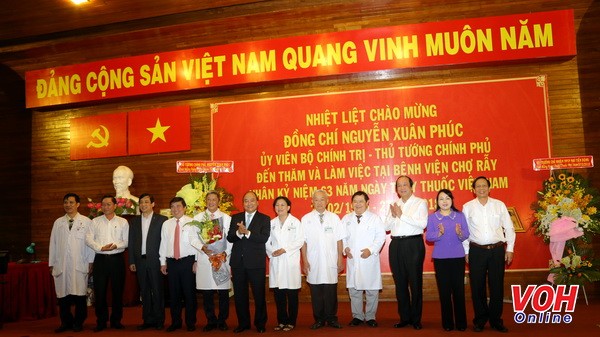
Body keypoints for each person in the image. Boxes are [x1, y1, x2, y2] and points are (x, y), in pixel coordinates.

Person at [462, 176, 515, 333]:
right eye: (478, 186)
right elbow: (465, 232)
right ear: (473, 190)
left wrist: (510, 248)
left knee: (496, 285)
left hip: (497, 250)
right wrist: (466, 251)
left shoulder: (499, 205)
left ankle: (496, 320)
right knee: (477, 286)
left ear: (489, 188)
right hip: (476, 251)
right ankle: (480, 319)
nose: (481, 188)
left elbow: (509, 227)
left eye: (484, 186)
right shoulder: (468, 207)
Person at [384, 175, 428, 330]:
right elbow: (386, 227)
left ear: (411, 186)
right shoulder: (394, 204)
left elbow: (423, 224)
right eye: (399, 186)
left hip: (413, 244)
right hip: (395, 244)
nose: (402, 188)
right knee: (400, 283)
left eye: (405, 185)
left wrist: (402, 215)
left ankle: (416, 319)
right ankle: (404, 317)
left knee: (415, 282)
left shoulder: (420, 203)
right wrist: (393, 216)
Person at [49, 193, 95, 333]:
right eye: (65, 202)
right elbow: (53, 243)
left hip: (79, 263)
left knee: (79, 294)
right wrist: (51, 263)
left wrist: (90, 261)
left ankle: (78, 322)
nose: (68, 205)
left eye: (71, 202)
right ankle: (65, 322)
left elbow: (90, 243)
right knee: (63, 296)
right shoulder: (58, 222)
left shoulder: (86, 222)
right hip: (61, 264)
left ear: (78, 204)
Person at [425, 189, 470, 332]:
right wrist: (439, 233)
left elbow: (466, 234)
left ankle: (461, 323)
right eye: (441, 199)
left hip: (457, 257)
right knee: (444, 292)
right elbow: (429, 237)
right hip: (440, 258)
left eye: (447, 199)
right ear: (437, 202)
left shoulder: (459, 215)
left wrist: (459, 233)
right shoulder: (433, 218)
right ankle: (448, 323)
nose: (444, 202)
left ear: (452, 200)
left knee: (458, 291)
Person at [226, 191, 271, 333]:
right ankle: (243, 323)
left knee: (259, 295)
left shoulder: (264, 219)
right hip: (238, 262)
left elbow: (263, 238)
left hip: (256, 263)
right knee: (240, 296)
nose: (249, 203)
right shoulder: (236, 218)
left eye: (252, 200)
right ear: (243, 203)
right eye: (246, 201)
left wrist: (247, 232)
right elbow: (230, 238)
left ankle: (260, 323)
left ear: (257, 202)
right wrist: (239, 233)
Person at [301, 189, 345, 330]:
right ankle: (319, 319)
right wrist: (305, 261)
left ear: (327, 201)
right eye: (316, 200)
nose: (319, 202)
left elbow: (339, 240)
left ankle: (332, 318)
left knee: (331, 291)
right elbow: (303, 242)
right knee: (316, 292)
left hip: (331, 260)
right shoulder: (306, 219)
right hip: (313, 260)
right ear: (312, 202)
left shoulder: (334, 218)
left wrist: (340, 259)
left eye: (322, 199)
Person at [85, 195, 129, 332]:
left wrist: (115, 245)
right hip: (101, 260)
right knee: (100, 292)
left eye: (109, 204)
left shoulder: (123, 222)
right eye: (103, 204)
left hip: (117, 259)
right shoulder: (95, 222)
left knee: (117, 291)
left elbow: (127, 241)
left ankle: (116, 320)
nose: (106, 207)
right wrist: (100, 248)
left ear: (115, 206)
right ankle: (101, 321)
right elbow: (88, 239)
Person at [190, 191, 232, 332]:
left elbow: (231, 239)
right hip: (205, 258)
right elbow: (192, 238)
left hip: (221, 258)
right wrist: (202, 247)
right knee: (207, 291)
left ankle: (222, 320)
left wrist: (225, 252)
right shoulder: (198, 218)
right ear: (205, 201)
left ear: (218, 201)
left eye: (214, 199)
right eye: (209, 199)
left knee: (223, 292)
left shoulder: (226, 218)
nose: (211, 202)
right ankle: (211, 320)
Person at [342, 191, 386, 328]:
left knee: (371, 290)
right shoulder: (346, 219)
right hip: (353, 260)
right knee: (354, 290)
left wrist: (371, 250)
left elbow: (381, 237)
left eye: (361, 201)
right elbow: (341, 237)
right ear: (351, 203)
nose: (358, 204)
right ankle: (357, 316)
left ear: (367, 203)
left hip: (369, 260)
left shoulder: (375, 218)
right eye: (355, 201)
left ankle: (371, 316)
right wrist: (345, 248)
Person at [128, 193, 168, 330]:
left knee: (157, 291)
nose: (143, 205)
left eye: (146, 202)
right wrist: (132, 261)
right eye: (141, 202)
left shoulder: (162, 220)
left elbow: (165, 242)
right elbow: (131, 242)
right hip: (140, 262)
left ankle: (159, 320)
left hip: (156, 261)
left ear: (153, 204)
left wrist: (164, 261)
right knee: (144, 292)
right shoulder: (134, 221)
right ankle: (147, 319)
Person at [159, 197, 198, 332]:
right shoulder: (166, 224)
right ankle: (175, 322)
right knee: (174, 294)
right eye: (173, 207)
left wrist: (196, 261)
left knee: (189, 294)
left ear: (185, 207)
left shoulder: (192, 222)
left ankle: (190, 322)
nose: (175, 209)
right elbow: (163, 243)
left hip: (187, 262)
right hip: (172, 263)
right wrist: (163, 262)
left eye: (178, 206)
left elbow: (197, 243)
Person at [266, 196, 304, 332]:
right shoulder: (271, 223)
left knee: (292, 294)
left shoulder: (295, 222)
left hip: (290, 261)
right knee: (279, 294)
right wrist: (272, 252)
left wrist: (284, 250)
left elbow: (300, 240)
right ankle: (281, 321)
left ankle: (291, 321)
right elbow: (266, 241)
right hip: (276, 260)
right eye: (277, 205)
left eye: (283, 205)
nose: (280, 208)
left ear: (288, 207)